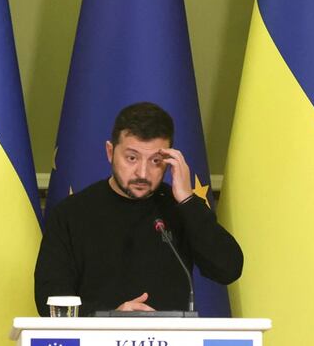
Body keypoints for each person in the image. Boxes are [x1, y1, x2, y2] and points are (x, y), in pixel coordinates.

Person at [34, 101, 243, 316]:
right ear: (110, 152)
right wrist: (111, 315)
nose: (142, 173)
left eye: (155, 161)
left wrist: (188, 201)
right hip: (94, 345)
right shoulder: (72, 213)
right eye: (132, 158)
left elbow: (228, 269)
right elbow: (49, 300)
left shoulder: (180, 209)